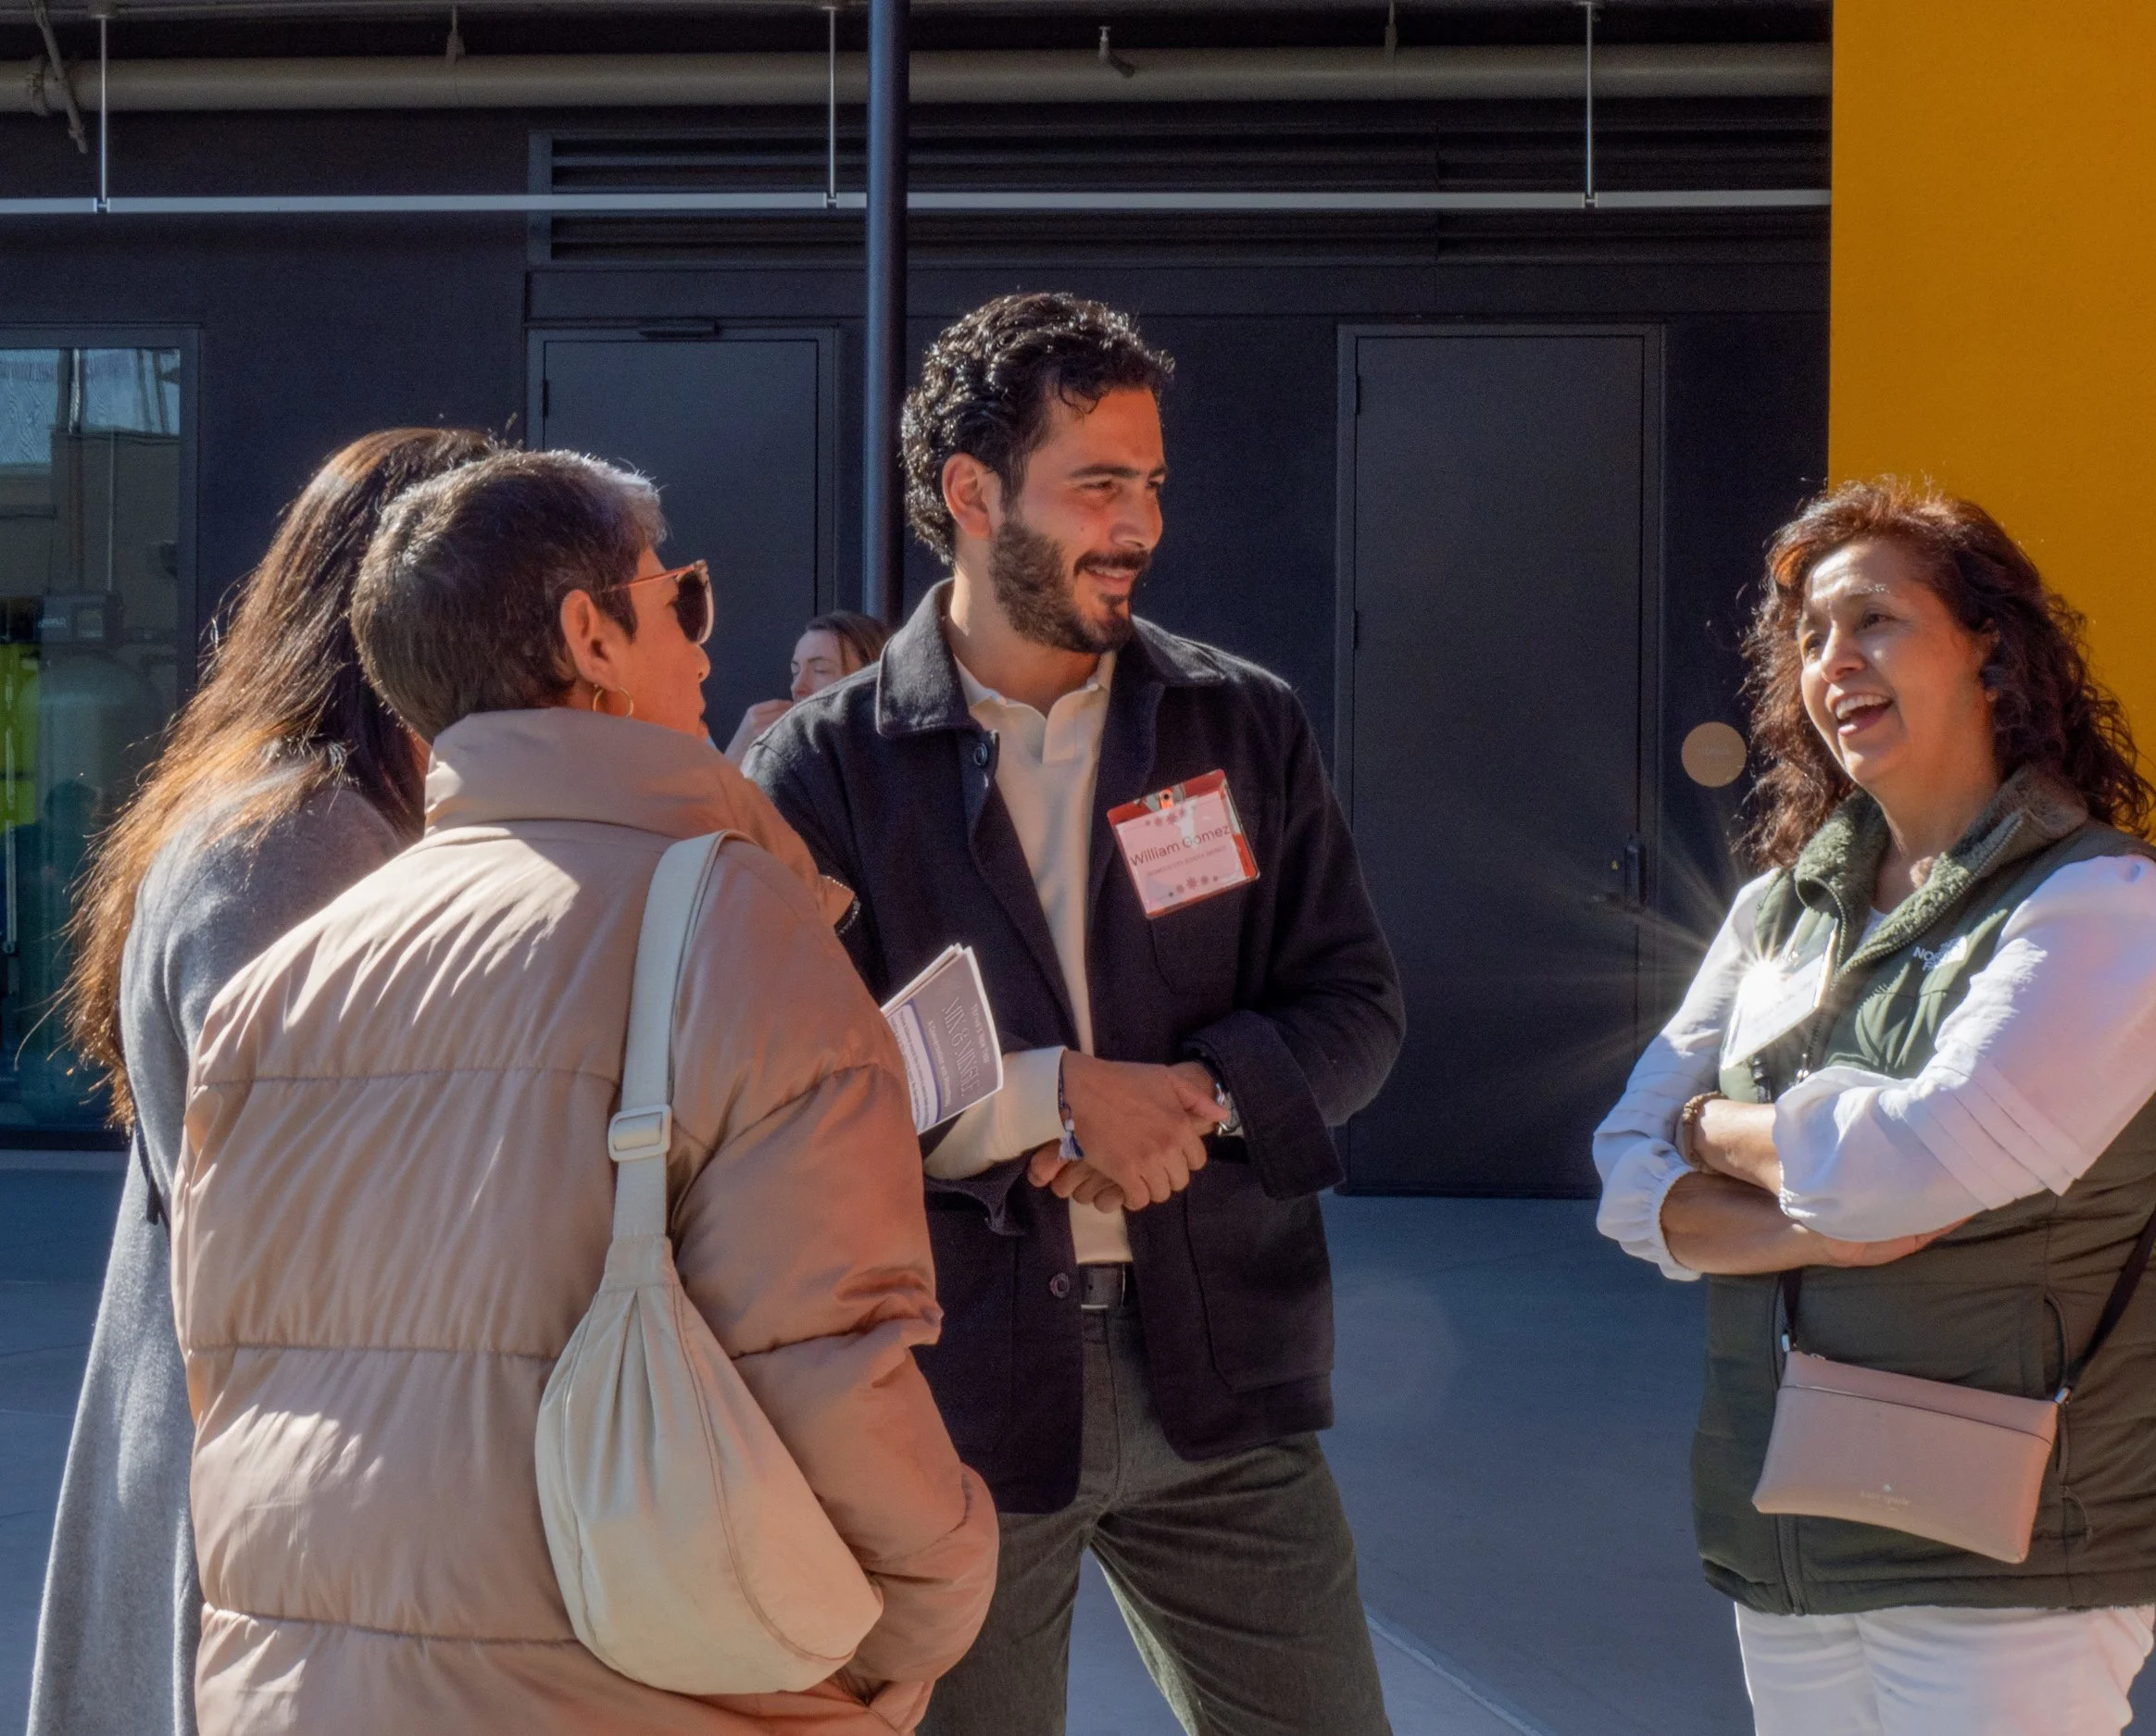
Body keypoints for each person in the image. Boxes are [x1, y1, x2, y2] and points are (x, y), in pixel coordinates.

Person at [171, 449, 997, 1734]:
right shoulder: (734, 924)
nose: (710, 647)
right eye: (685, 600)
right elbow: (831, 1368)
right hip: (644, 1684)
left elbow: (231, 1378)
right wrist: (940, 1594)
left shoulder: (280, 984)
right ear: (590, 635)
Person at [750, 293, 1405, 1736]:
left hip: (1226, 1384)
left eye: (1152, 482)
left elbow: (1355, 1005)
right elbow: (799, 1081)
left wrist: (1201, 1096)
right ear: (972, 494)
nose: (1139, 525)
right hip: (957, 1398)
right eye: (1097, 483)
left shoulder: (1241, 724)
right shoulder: (826, 771)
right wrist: (1053, 1091)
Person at [1593, 479, 2156, 1736]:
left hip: (2004, 1552)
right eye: (1809, 635)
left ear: (1992, 645)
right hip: (1788, 1528)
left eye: (1874, 618)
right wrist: (1808, 1225)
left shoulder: (2100, 904)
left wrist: (1720, 1132)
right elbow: (1623, 1174)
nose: (1833, 661)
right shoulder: (1781, 906)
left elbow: (1909, 1163)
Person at [27, 426, 494, 1736]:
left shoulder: (305, 810)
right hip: (253, 1490)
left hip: (252, 1465)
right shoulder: (303, 837)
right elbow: (314, 1214)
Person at [722, 608, 894, 764]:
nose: (797, 687)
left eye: (821, 670)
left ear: (871, 680)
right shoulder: (787, 763)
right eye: (795, 671)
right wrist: (737, 756)